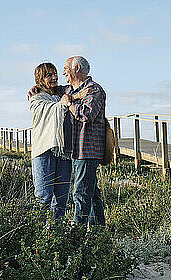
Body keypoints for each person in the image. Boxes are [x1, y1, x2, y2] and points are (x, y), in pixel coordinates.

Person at [28, 62, 89, 220]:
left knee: (61, 200)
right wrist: (72, 99)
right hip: (44, 151)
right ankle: (38, 238)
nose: (54, 77)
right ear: (40, 79)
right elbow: (51, 108)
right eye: (49, 75)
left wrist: (71, 98)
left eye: (55, 73)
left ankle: (56, 237)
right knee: (43, 198)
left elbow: (70, 92)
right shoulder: (36, 98)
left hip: (63, 151)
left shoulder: (61, 92)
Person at [60, 56, 106, 226]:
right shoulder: (69, 90)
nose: (63, 72)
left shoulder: (94, 90)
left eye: (66, 68)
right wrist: (37, 87)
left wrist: (69, 104)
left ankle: (77, 233)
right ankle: (98, 233)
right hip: (74, 150)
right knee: (91, 192)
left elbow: (87, 114)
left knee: (80, 193)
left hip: (86, 150)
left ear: (77, 68)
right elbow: (53, 89)